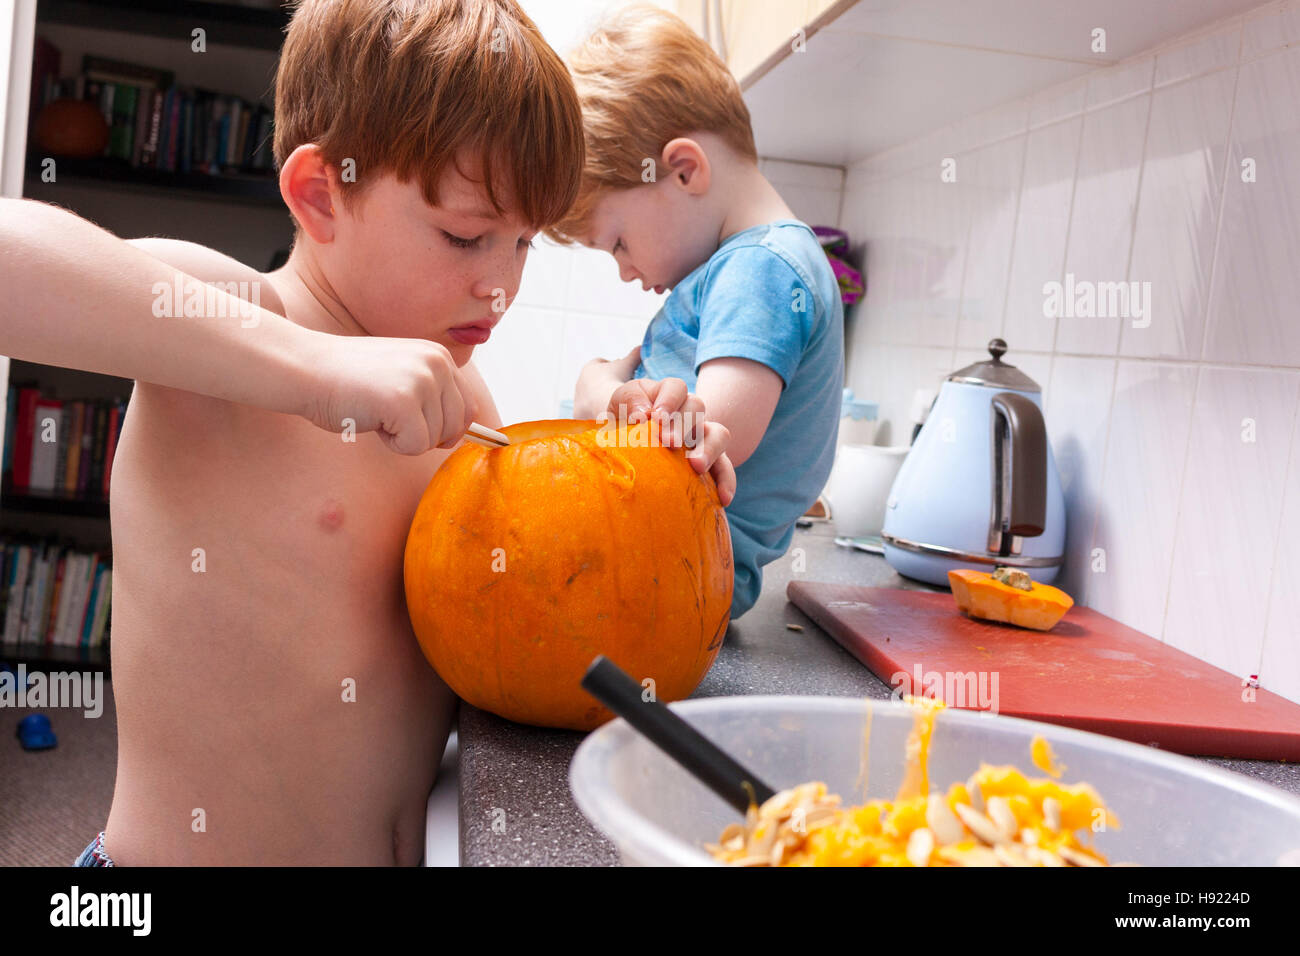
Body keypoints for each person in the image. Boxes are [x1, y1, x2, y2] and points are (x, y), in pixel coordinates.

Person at [0, 0, 730, 865]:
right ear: (320, 194)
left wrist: (649, 468)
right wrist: (310, 370)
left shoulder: (462, 391)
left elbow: (554, 576)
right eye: (466, 236)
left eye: (524, 244)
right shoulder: (235, 326)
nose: (502, 287)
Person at [550, 5, 844, 619]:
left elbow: (695, 452)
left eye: (619, 243)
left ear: (683, 171)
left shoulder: (763, 267)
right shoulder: (746, 266)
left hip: (664, 575)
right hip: (664, 569)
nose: (626, 271)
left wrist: (598, 394)